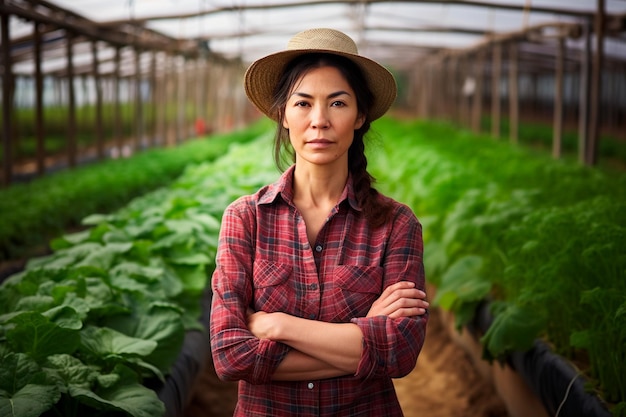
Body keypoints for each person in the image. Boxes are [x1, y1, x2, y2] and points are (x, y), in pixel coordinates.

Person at [209, 28, 429, 416]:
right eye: (303, 103)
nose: (319, 121)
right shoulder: (245, 218)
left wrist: (277, 326)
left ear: (360, 115)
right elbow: (230, 355)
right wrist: (364, 339)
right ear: (282, 113)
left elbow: (400, 352)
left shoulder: (396, 224)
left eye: (338, 103)